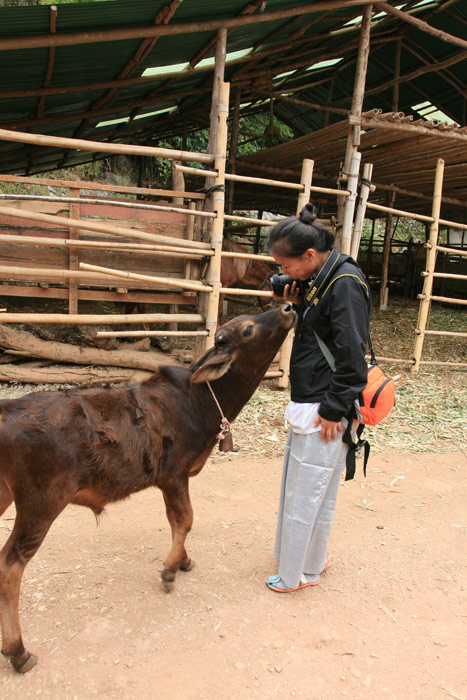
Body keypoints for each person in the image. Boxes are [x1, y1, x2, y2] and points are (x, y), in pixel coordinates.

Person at [266, 203, 371, 593]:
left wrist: (333, 410)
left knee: (308, 490)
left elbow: (352, 358)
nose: (283, 273)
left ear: (309, 255)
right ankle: (310, 559)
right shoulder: (325, 277)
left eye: (287, 265)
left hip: (324, 405)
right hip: (314, 397)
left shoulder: (343, 284)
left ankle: (298, 574)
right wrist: (297, 304)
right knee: (311, 488)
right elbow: (323, 332)